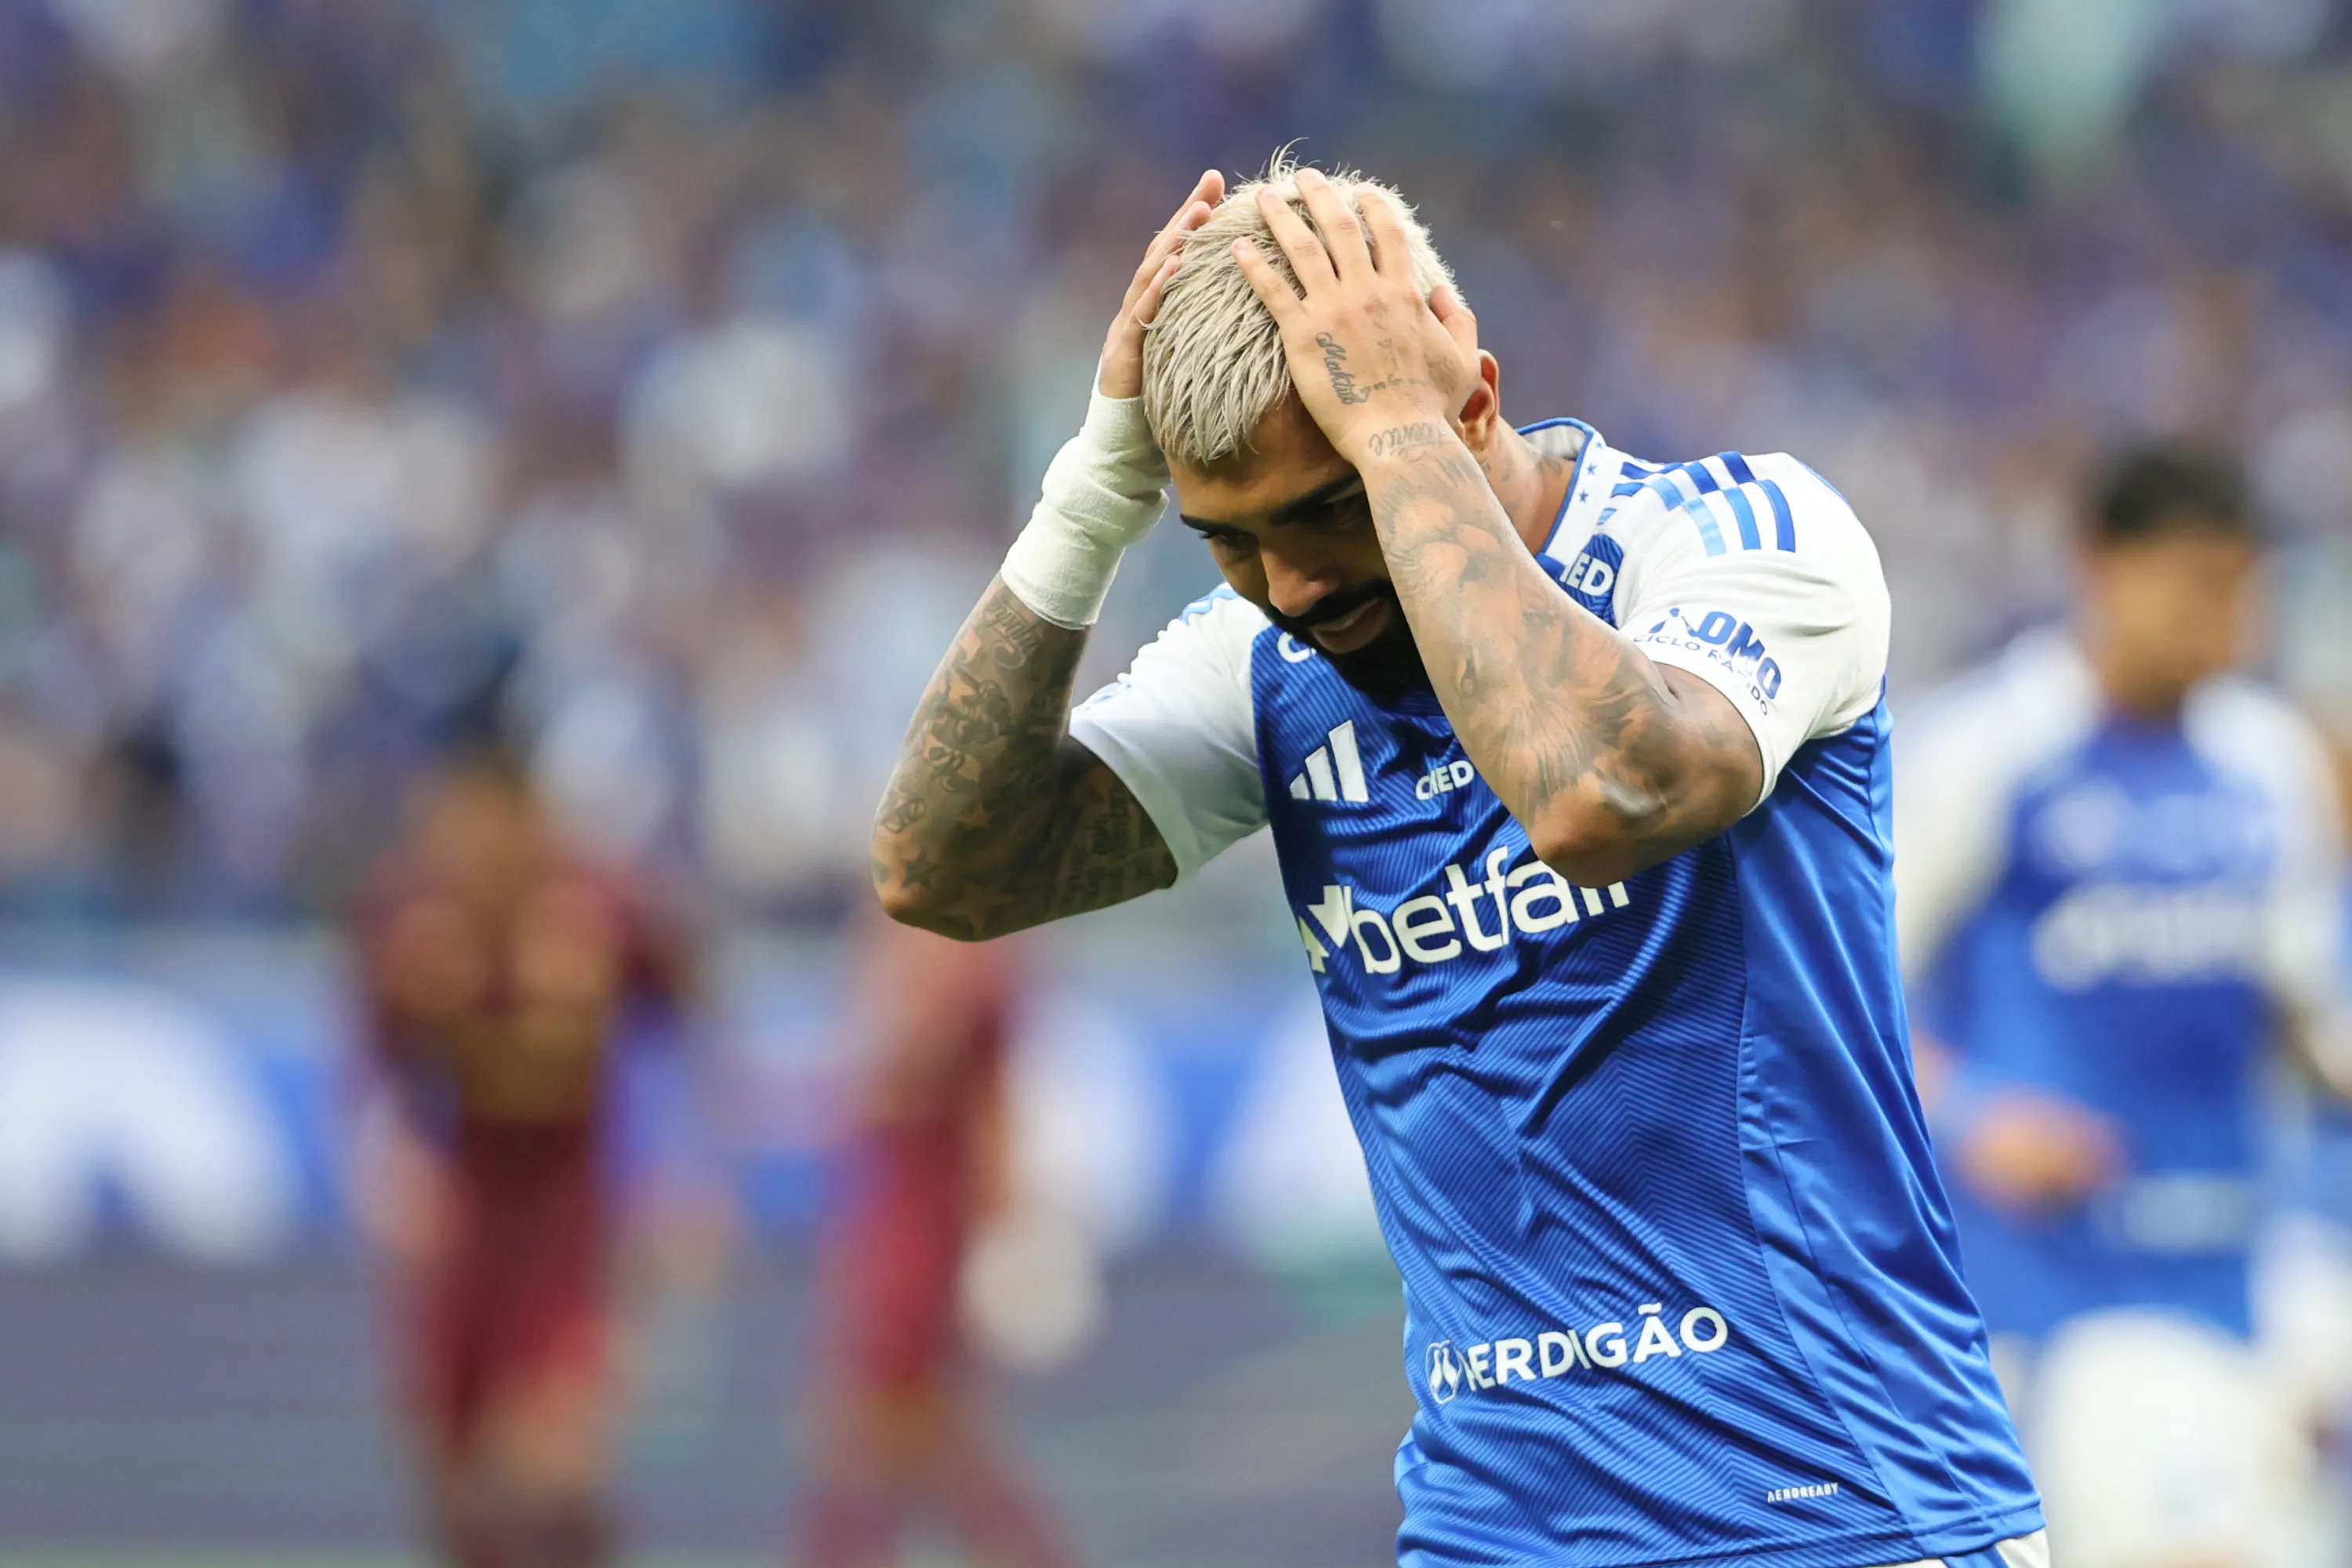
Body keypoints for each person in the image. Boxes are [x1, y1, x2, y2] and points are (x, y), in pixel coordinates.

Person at [869, 155, 2044, 1568]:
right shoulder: (1268, 667)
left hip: (1838, 1509)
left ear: (1468, 397)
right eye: (1231, 544)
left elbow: (1601, 787)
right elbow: (944, 868)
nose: (1291, 588)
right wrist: (1096, 493)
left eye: (1325, 509)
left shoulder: (1735, 538)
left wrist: (1404, 441)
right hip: (1493, 1532)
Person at [1895, 448, 2352, 1568]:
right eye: (2198, 586)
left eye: (2240, 588)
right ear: (2100, 567)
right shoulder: (1986, 750)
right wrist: (1976, 1118)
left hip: (2235, 1284)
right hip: (2036, 1297)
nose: (2226, 623)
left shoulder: (2269, 764)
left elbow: (2302, 1017)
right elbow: (1843, 1002)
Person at [354, 744, 695, 1568]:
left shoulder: (602, 912)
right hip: (473, 1210)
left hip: (568, 1211)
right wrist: (395, 1167)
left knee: (552, 1460)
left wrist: (687, 1171)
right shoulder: (409, 930)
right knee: (450, 1458)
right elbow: (375, 1070)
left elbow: (684, 1022)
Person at [793, 916, 1078, 1568]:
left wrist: (1010, 1225)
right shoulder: (919, 938)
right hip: (890, 1212)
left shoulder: (967, 958)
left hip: (922, 1222)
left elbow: (958, 1093)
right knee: (897, 1434)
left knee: (888, 1430)